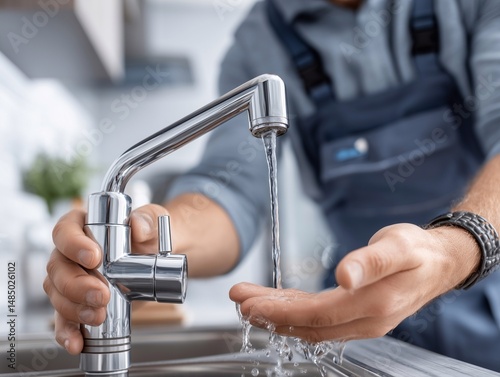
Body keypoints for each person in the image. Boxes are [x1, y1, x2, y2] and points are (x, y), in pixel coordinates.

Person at [44, 0, 500, 372]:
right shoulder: (258, 42)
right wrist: (147, 237)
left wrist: (454, 249)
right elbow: (231, 191)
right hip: (346, 319)